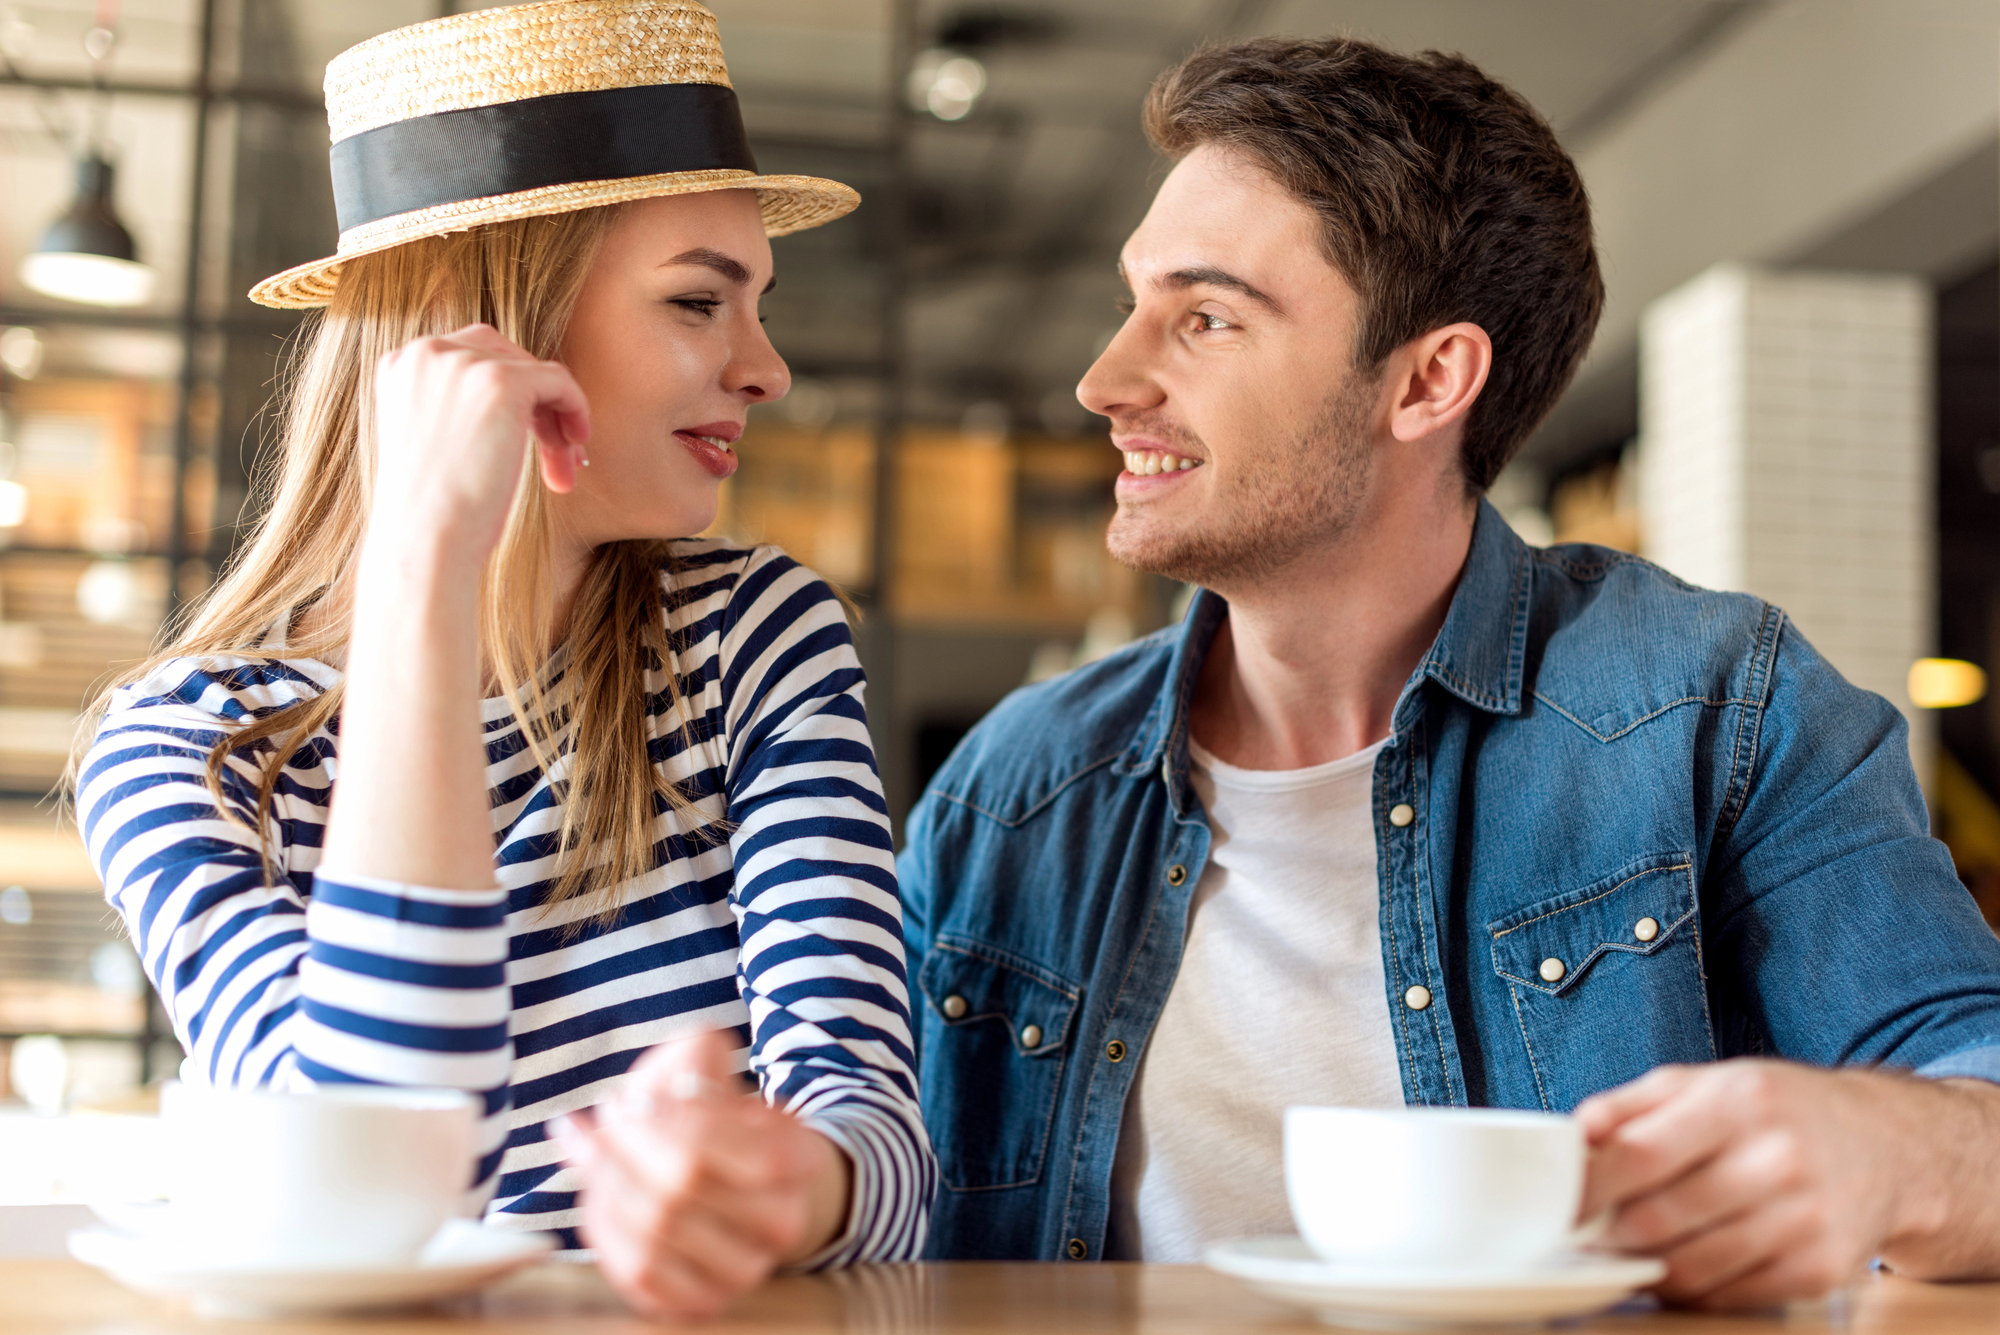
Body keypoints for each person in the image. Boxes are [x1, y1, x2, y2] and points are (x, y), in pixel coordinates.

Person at [898, 35, 2000, 1307]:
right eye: (1131, 304)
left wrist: (1881, 1149)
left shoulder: (1715, 710)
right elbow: (848, 1183)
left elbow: (1967, 1080)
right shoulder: (1015, 788)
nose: (1104, 381)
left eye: (1202, 318)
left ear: (1428, 380)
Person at [73, 1, 930, 1318]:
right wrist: (430, 573)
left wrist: (777, 1180)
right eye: (701, 300)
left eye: (756, 306)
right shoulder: (181, 749)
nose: (768, 368)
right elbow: (367, 1182)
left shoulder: (754, 635)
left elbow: (870, 1119)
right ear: (482, 325)